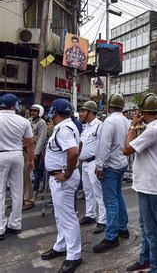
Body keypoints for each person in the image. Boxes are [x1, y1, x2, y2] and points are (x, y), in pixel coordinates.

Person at [124, 93, 157, 273]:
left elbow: (126, 149)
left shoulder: (153, 130)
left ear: (143, 112)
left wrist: (132, 125)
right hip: (149, 184)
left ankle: (156, 268)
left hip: (150, 187)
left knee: (152, 231)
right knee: (145, 227)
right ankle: (145, 260)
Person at [41, 99, 82, 273]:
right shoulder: (68, 126)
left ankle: (74, 256)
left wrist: (67, 174)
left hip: (62, 177)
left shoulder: (64, 129)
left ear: (54, 112)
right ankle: (61, 245)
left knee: (67, 216)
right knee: (60, 215)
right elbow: (79, 145)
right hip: (60, 176)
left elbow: (73, 152)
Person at [93, 94, 130, 253]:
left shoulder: (109, 121)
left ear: (109, 106)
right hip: (121, 163)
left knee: (111, 201)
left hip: (110, 165)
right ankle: (122, 228)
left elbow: (104, 145)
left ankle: (111, 236)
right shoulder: (125, 120)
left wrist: (99, 166)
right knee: (118, 195)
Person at [0, 94, 34, 240]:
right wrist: (31, 160)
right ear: (14, 106)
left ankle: (0, 228)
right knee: (17, 190)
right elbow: (30, 142)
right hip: (18, 155)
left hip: (1, 155)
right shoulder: (23, 121)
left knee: (0, 192)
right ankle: (15, 224)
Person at [78, 101, 106, 234]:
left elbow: (102, 146)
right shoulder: (86, 126)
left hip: (94, 162)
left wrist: (100, 165)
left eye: (83, 111)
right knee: (88, 191)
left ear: (90, 112)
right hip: (84, 163)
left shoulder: (99, 126)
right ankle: (90, 215)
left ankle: (103, 220)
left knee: (98, 192)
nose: (81, 114)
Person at [25, 104, 47, 208]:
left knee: (37, 171)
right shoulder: (28, 121)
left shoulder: (42, 123)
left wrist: (36, 152)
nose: (32, 112)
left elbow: (42, 138)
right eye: (32, 110)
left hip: (36, 150)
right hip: (27, 149)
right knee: (26, 172)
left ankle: (35, 189)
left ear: (40, 112)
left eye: (35, 111)